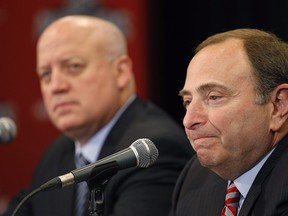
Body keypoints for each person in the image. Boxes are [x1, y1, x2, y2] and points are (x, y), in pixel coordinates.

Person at [3, 15, 193, 216]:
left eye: (74, 66)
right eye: (46, 74)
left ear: (121, 72)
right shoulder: (58, 153)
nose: (56, 86)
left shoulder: (151, 150)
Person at [169, 28, 288, 216]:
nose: (189, 120)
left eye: (214, 97)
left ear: (278, 106)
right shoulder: (195, 177)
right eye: (188, 102)